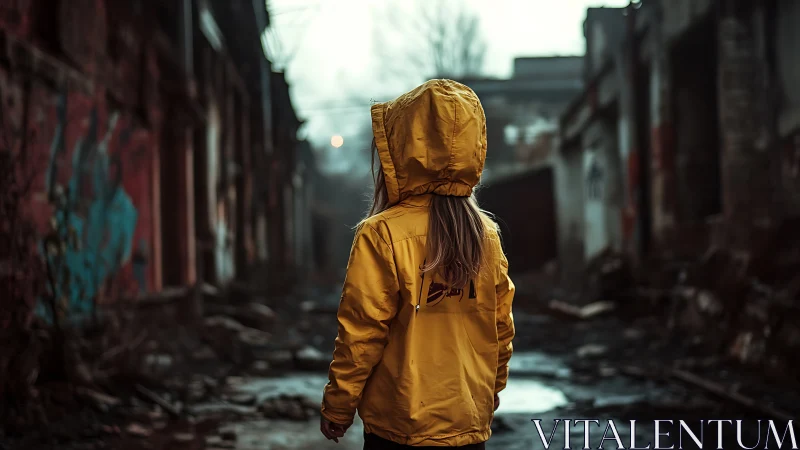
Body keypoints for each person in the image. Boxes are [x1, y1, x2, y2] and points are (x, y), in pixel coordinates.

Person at [319, 79, 516, 449]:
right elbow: (500, 329)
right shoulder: (486, 235)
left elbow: (361, 333)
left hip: (399, 425)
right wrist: (490, 392)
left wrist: (338, 406)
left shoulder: (381, 234)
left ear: (401, 151)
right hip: (466, 421)